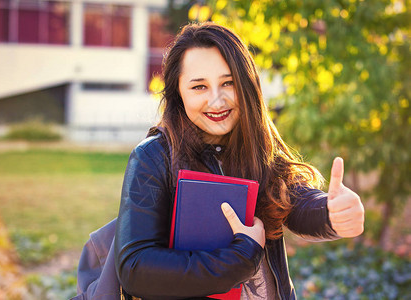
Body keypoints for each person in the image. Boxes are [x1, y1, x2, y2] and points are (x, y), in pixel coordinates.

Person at [113, 22, 364, 300]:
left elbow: (296, 200)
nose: (217, 100)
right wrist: (240, 257)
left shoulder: (257, 147)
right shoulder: (153, 157)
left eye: (228, 83)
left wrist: (331, 212)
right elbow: (135, 269)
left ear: (246, 85)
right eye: (199, 87)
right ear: (177, 93)